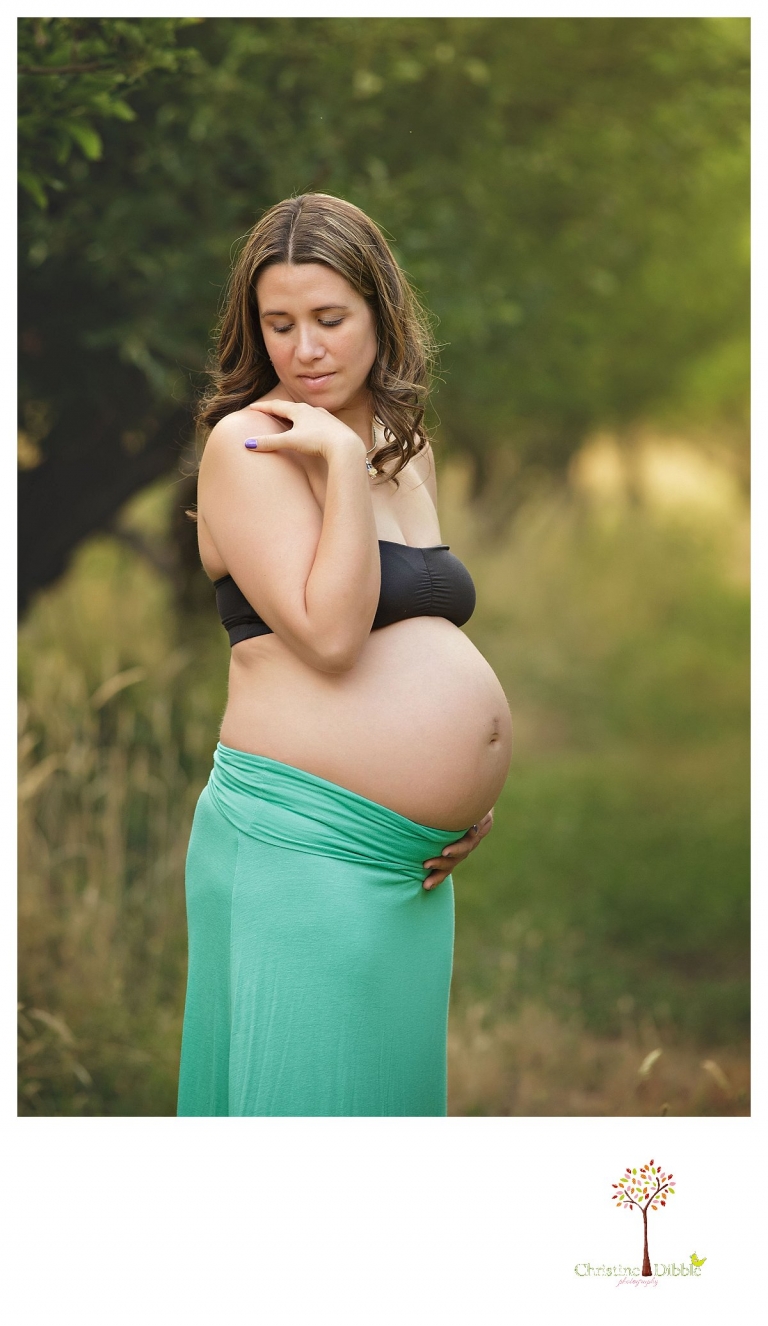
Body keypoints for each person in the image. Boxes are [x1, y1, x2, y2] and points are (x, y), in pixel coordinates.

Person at [176, 194, 513, 1117]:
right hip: (300, 844)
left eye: (330, 320)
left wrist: (460, 796)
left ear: (381, 314)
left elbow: (420, 629)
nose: (305, 349)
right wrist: (332, 461)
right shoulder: (249, 447)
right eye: (278, 324)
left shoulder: (409, 453)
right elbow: (329, 637)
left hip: (404, 859)